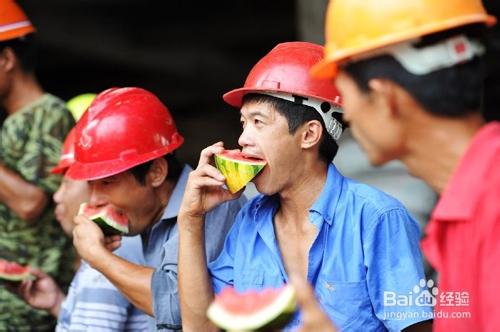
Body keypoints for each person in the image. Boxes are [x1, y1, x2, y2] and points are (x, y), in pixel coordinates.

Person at [177, 41, 432, 331]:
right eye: (243, 123)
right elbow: (201, 328)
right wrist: (190, 220)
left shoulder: (376, 218)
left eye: (259, 122)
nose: (244, 139)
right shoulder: (249, 221)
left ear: (309, 134)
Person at [310, 0, 499, 330]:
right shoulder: (463, 210)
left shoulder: (492, 209)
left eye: (345, 95)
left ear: (385, 98)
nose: (349, 115)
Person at [65, 87, 246, 331]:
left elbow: (180, 308)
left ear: (157, 173)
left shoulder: (214, 201)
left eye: (107, 183)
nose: (95, 199)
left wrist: (98, 257)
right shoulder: (148, 217)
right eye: (90, 185)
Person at [16, 108, 150, 330]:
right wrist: (58, 304)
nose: (57, 196)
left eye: (67, 184)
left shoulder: (113, 253)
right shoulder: (105, 251)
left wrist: (98, 258)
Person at [0, 1, 75, 329]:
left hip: (26, 302)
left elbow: (30, 203)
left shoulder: (49, 112)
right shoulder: (13, 121)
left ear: (5, 59)